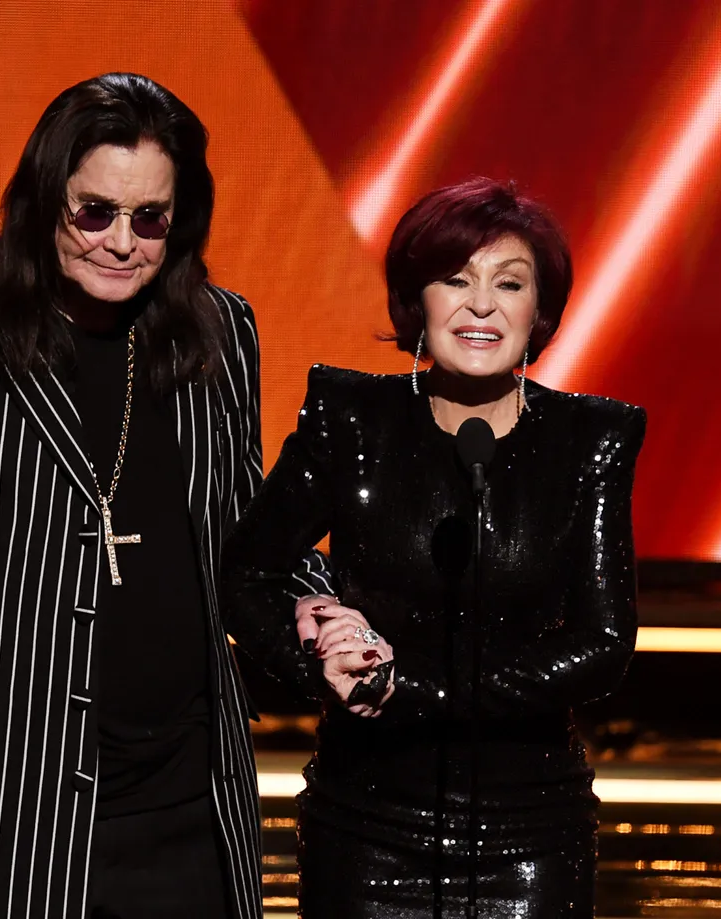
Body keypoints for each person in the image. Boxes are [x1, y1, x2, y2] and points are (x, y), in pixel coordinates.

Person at [0, 72, 329, 919]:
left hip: (188, 806)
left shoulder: (219, 330)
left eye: (150, 218)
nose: (122, 242)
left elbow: (251, 531)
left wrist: (318, 607)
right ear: (44, 201)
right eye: (95, 212)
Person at [223, 177, 646, 918]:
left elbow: (604, 643)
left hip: (528, 838)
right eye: (455, 279)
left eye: (508, 283)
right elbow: (246, 573)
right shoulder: (351, 420)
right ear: (416, 299)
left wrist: (412, 690)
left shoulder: (589, 440)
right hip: (366, 831)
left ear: (539, 311)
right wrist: (321, 664)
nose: (481, 305)